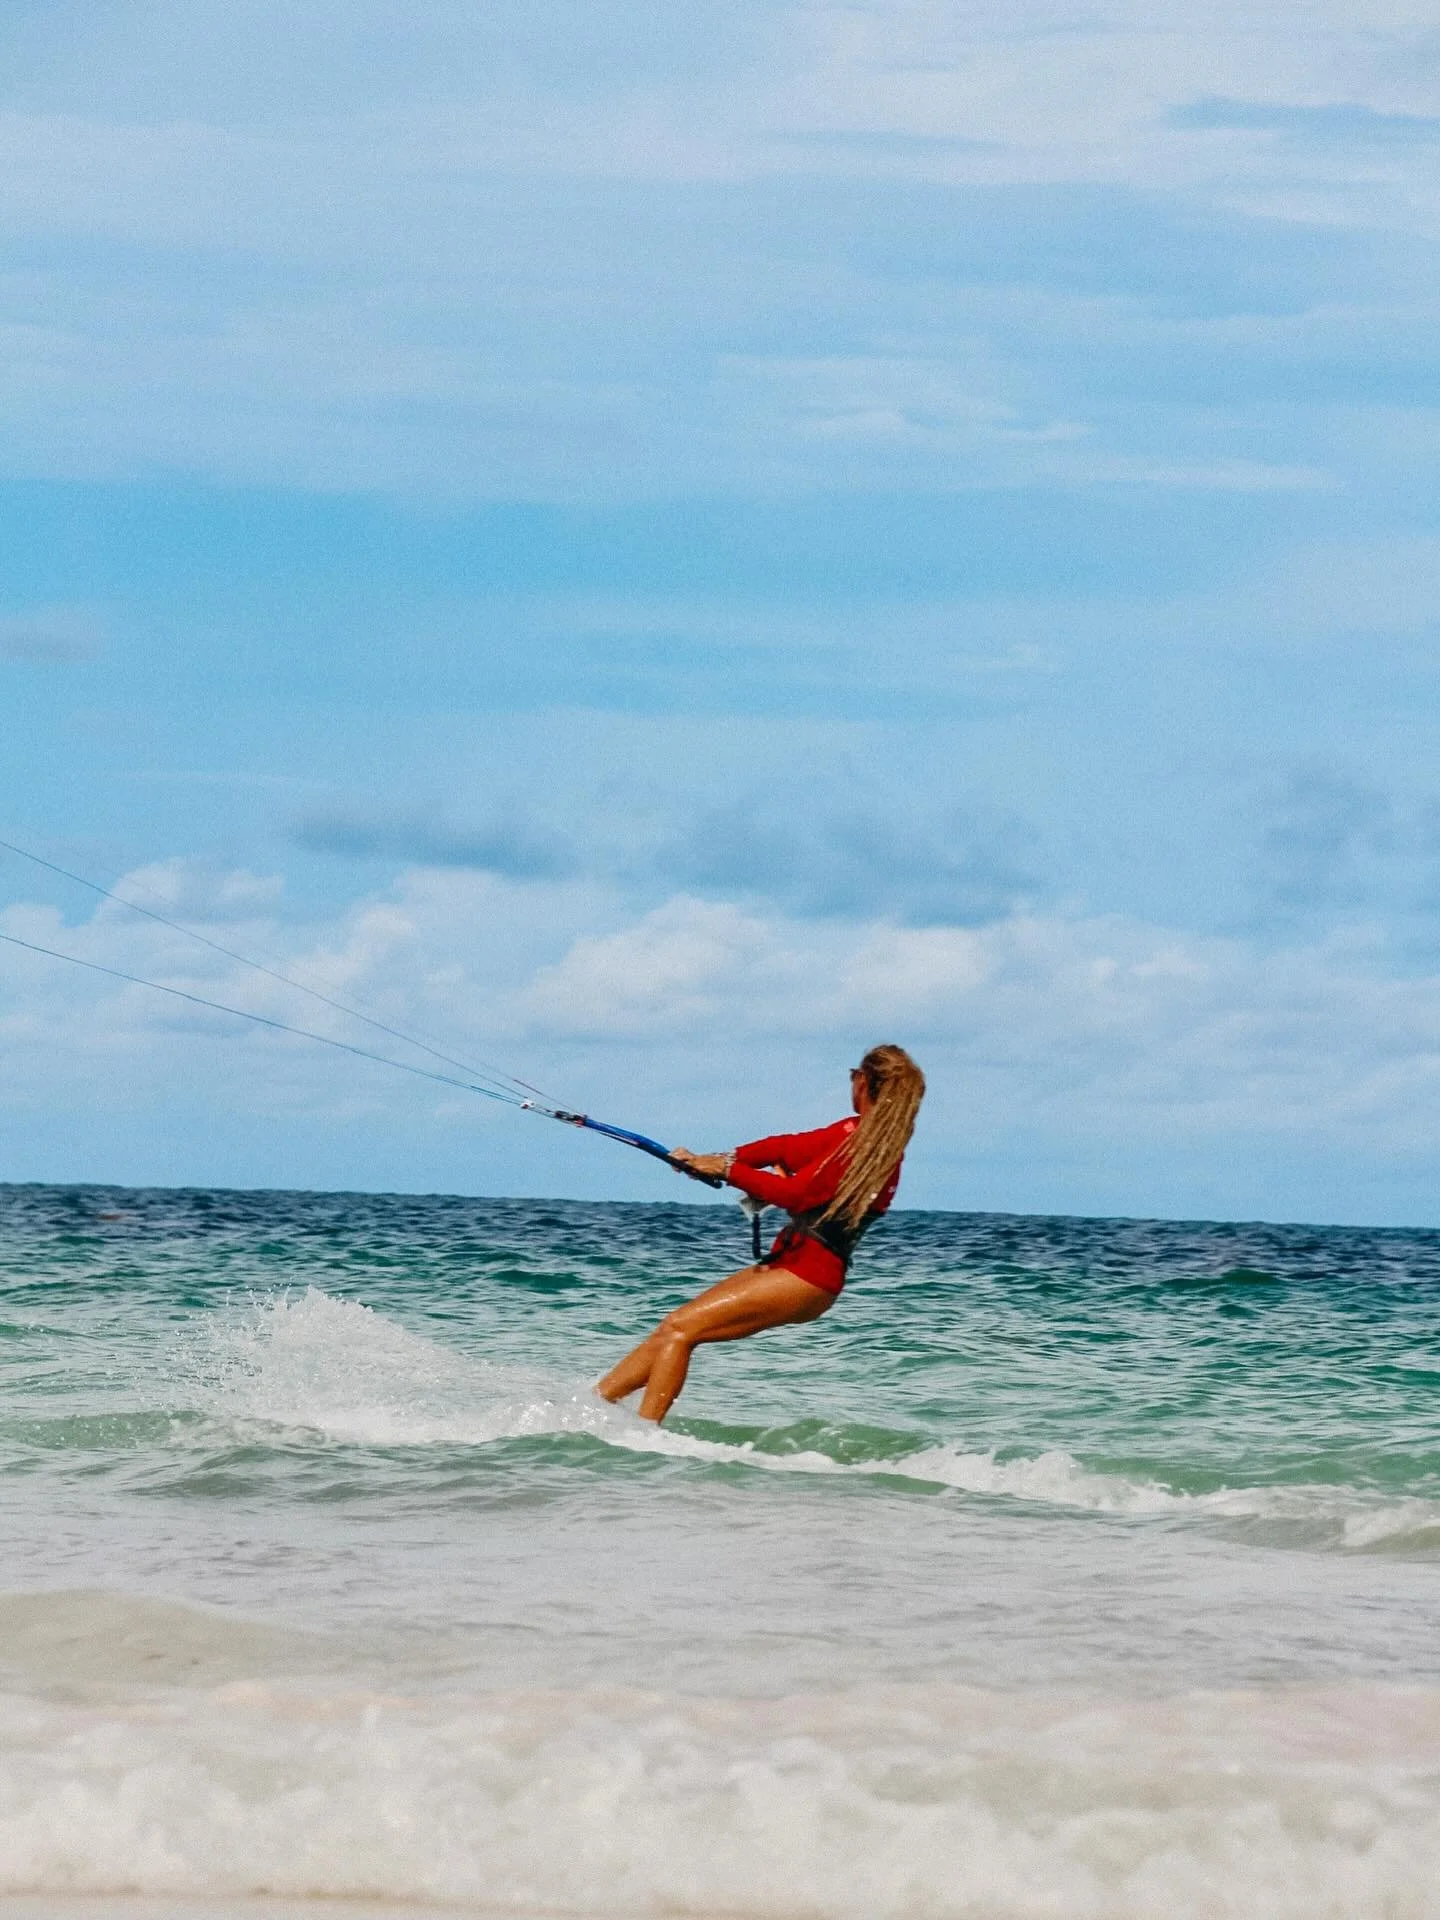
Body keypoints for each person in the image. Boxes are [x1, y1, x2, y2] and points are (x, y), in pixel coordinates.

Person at [596, 1044, 925, 1423]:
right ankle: (593, 1406)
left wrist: (726, 1170)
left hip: (806, 1277)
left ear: (864, 1082)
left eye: (854, 1076)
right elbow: (786, 1149)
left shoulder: (862, 1146)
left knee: (681, 1330)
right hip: (795, 1269)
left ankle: (643, 1434)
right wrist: (713, 1161)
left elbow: (794, 1193)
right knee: (671, 1329)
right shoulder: (853, 1133)